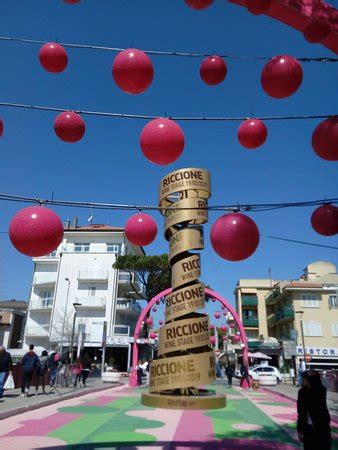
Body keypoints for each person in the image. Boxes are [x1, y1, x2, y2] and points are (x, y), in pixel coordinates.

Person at [297, 370, 331, 449]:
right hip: (309, 429)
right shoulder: (302, 392)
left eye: (305, 378)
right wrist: (300, 429)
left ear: (310, 380)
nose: (303, 380)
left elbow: (312, 406)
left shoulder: (320, 391)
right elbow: (301, 412)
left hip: (322, 428)